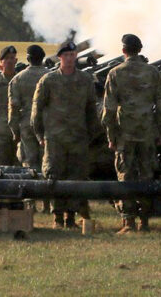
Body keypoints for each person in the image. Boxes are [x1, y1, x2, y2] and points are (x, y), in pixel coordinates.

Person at [101, 33, 161, 233]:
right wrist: (160, 131)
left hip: (125, 134)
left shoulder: (115, 73)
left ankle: (128, 221)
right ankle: (144, 221)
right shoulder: (153, 72)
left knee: (125, 176)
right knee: (147, 176)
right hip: (147, 132)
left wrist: (111, 137)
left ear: (123, 51)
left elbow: (109, 111)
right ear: (140, 50)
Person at [32, 40, 102, 229]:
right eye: (66, 55)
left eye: (73, 55)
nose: (70, 59)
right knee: (54, 176)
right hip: (55, 139)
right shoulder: (49, 80)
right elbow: (36, 110)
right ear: (60, 57)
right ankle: (57, 217)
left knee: (76, 177)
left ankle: (71, 217)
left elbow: (90, 109)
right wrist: (40, 136)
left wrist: (91, 134)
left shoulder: (85, 79)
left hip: (78, 138)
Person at [8, 45, 48, 168]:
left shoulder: (17, 79)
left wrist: (15, 131)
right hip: (47, 124)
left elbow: (13, 109)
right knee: (47, 159)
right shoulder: (51, 77)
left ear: (27, 58)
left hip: (26, 124)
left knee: (29, 162)